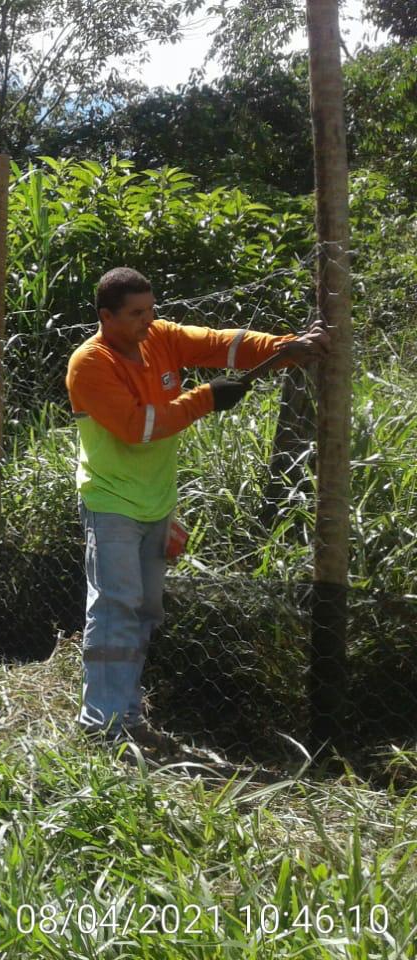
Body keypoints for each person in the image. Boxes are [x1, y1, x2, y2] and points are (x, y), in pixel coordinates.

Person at [66, 267, 329, 745]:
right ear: (106, 317)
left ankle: (126, 716)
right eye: (136, 314)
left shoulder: (159, 337)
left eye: (151, 309)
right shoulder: (91, 364)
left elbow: (220, 344)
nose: (150, 320)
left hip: (155, 500)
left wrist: (283, 348)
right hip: (111, 501)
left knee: (144, 610)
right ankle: (102, 724)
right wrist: (206, 399)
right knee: (114, 607)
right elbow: (136, 427)